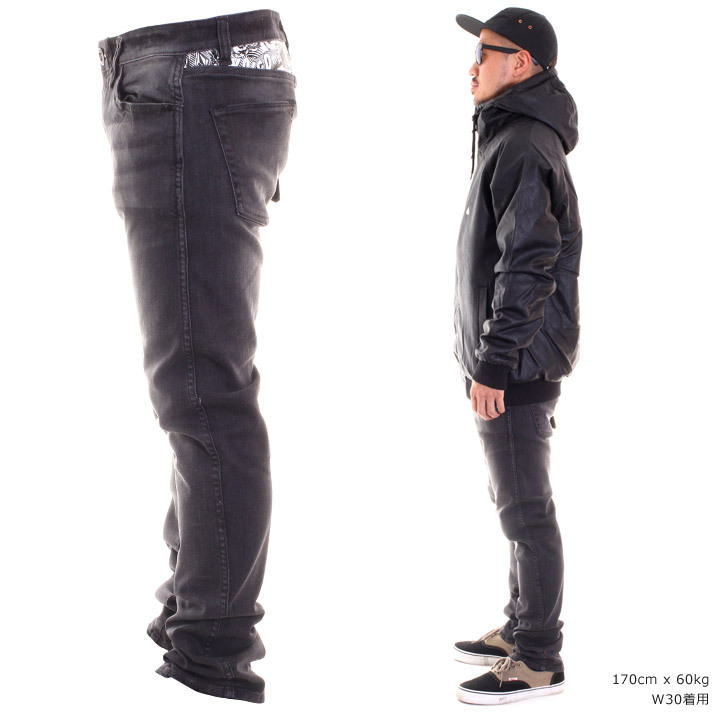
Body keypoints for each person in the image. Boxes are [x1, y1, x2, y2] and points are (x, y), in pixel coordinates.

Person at [98, 11, 296, 702]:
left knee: (203, 390)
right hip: (186, 73)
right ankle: (196, 612)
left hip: (190, 74)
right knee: (196, 385)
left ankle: (212, 654)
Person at [451, 7, 582, 705]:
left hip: (519, 362)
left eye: (486, 52)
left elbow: (528, 264)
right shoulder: (510, 133)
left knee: (527, 512)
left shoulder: (525, 142)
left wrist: (495, 361)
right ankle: (520, 625)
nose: (472, 66)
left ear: (521, 64)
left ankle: (537, 658)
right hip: (512, 356)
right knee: (515, 504)